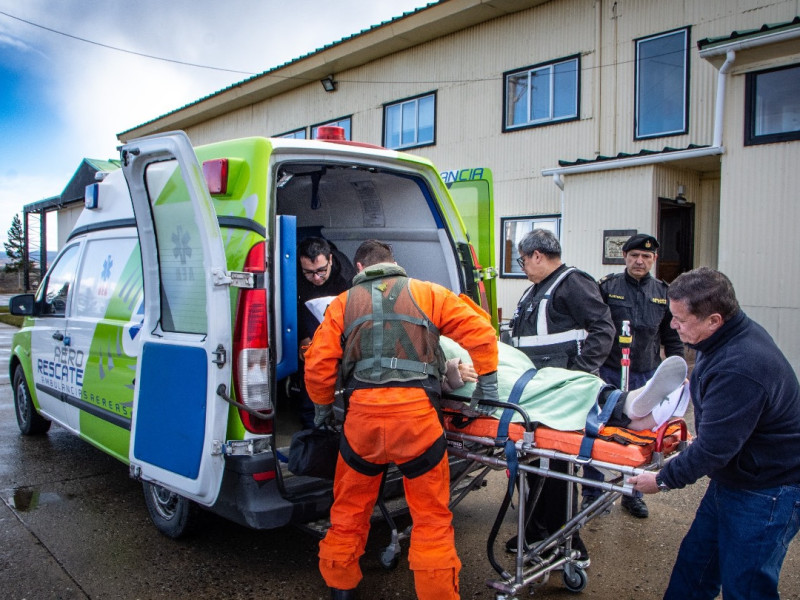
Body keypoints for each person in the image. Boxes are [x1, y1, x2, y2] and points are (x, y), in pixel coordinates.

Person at [304, 239, 499, 600]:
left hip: (362, 425)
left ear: (359, 269)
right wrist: (487, 385)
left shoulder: (342, 304)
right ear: (395, 264)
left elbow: (318, 365)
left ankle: (341, 586)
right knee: (431, 518)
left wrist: (322, 409)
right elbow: (481, 332)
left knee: (348, 510)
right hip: (418, 425)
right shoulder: (429, 293)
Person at [629, 267, 800, 600]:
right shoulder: (724, 338)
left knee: (747, 587)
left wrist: (663, 479)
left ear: (714, 320)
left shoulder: (742, 364)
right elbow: (722, 433)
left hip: (768, 488)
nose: (673, 326)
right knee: (695, 570)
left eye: (680, 319)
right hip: (734, 476)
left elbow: (714, 450)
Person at [504, 229, 614, 559]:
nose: (522, 266)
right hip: (536, 395)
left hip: (559, 396)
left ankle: (568, 543)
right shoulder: (533, 292)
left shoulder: (573, 283)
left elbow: (603, 329)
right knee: (534, 468)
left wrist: (576, 376)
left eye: (522, 259)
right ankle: (535, 533)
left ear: (537, 255)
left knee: (558, 473)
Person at [584, 233, 686, 518]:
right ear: (625, 257)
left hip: (645, 375)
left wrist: (678, 371)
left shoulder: (663, 292)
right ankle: (592, 493)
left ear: (653, 259)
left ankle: (633, 493)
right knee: (599, 431)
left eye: (646, 256)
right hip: (609, 372)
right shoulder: (607, 287)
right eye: (634, 256)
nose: (639, 261)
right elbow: (594, 327)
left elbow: (671, 335)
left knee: (640, 435)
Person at [440, 336, 689, 433]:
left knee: (565, 379)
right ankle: (634, 410)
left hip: (506, 369)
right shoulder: (411, 331)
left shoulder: (426, 320)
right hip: (478, 384)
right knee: (559, 393)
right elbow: (413, 380)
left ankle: (633, 407)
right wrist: (451, 372)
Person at [295, 237, 356, 428]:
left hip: (338, 315)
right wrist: (303, 336)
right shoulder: (293, 274)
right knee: (310, 361)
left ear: (330, 260)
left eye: (321, 271)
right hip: (306, 313)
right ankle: (310, 421)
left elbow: (352, 312)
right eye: (309, 273)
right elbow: (291, 307)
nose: (316, 278)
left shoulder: (346, 277)